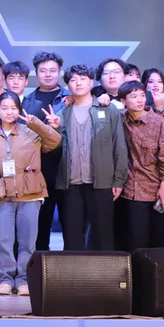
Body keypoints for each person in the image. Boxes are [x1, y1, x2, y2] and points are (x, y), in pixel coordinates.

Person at [0, 92, 62, 296]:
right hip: (4, 196)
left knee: (28, 241)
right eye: (4, 108)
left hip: (31, 193)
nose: (9, 112)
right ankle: (6, 280)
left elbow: (54, 140)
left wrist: (35, 123)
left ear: (19, 110)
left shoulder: (30, 132)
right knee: (4, 240)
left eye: (13, 108)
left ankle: (24, 279)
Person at [55, 64, 128, 251]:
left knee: (103, 235)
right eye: (72, 79)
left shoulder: (108, 109)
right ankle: (73, 279)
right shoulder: (61, 113)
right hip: (70, 184)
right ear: (68, 86)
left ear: (92, 81)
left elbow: (119, 145)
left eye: (83, 78)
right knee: (72, 237)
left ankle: (106, 278)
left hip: (102, 183)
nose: (78, 83)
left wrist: (118, 181)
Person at [117, 81, 164, 251]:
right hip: (132, 190)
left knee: (161, 240)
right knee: (135, 240)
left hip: (158, 187)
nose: (140, 100)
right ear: (123, 101)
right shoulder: (120, 119)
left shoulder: (159, 123)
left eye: (142, 95)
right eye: (134, 96)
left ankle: (160, 277)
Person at [31, 52, 67, 253]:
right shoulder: (28, 101)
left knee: (69, 224)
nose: (48, 75)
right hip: (38, 171)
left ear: (60, 72)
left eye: (53, 70)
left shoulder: (70, 98)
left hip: (66, 169)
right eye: (43, 70)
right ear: (36, 72)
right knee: (40, 225)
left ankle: (70, 271)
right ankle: (38, 270)